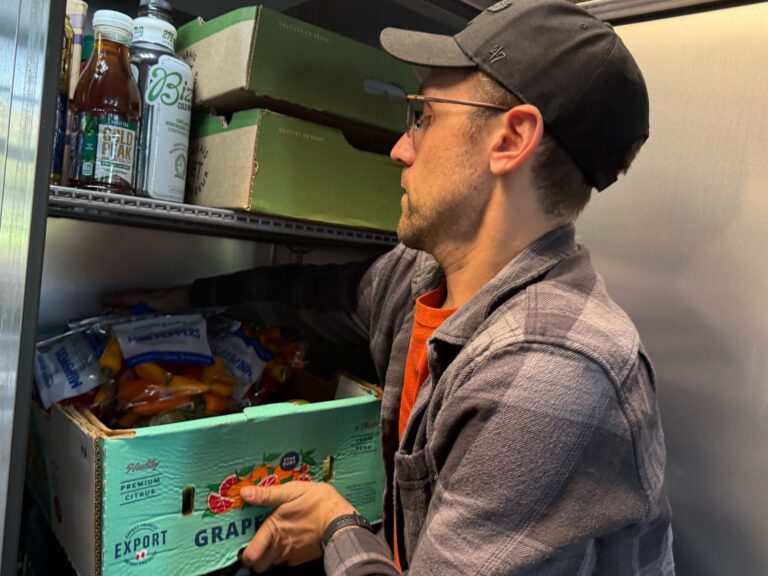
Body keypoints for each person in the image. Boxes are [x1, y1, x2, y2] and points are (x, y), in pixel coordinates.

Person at [112, 0, 675, 573]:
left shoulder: (551, 371)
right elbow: (314, 294)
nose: (400, 148)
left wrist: (336, 525)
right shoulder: (425, 277)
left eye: (424, 116)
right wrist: (179, 299)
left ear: (510, 140)